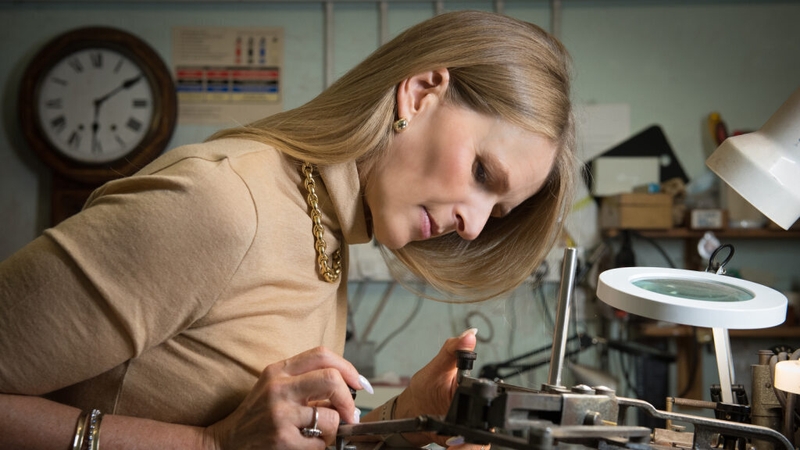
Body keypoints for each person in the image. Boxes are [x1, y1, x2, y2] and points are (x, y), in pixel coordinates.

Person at [0, 9, 576, 450]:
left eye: (495, 211)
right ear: (420, 93)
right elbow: (227, 439)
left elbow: (276, 437)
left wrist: (405, 418)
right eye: (481, 173)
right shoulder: (223, 203)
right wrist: (210, 445)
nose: (472, 226)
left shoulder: (328, 225)